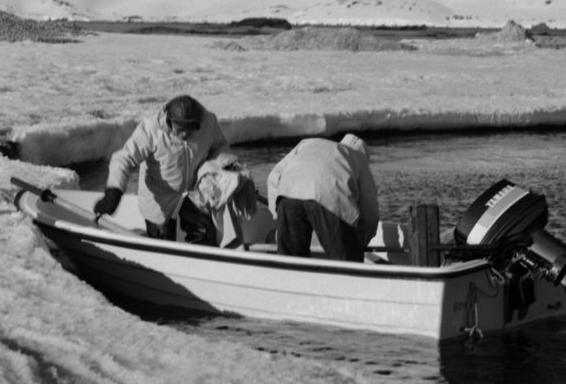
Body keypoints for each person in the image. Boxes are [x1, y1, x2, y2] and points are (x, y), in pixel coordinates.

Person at [94, 94, 234, 244]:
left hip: (194, 192)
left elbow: (220, 146)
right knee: (162, 244)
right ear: (169, 120)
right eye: (180, 129)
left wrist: (227, 166)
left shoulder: (208, 122)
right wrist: (114, 192)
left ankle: (198, 264)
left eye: (191, 129)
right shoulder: (150, 130)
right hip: (159, 198)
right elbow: (123, 158)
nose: (185, 133)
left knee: (205, 235)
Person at [266, 134, 379, 262]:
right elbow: (370, 212)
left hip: (287, 192)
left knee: (290, 260)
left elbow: (273, 177)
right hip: (328, 196)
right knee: (347, 261)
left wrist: (278, 214)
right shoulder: (359, 159)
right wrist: (362, 242)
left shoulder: (307, 144)